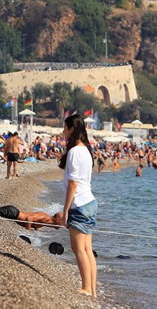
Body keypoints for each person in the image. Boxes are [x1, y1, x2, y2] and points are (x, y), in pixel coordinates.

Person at [55, 114, 97, 298]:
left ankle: (86, 288)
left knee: (79, 248)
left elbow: (73, 184)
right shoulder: (86, 150)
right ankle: (92, 290)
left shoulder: (74, 152)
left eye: (65, 128)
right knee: (88, 249)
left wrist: (65, 211)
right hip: (89, 202)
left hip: (79, 203)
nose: (63, 132)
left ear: (72, 129)